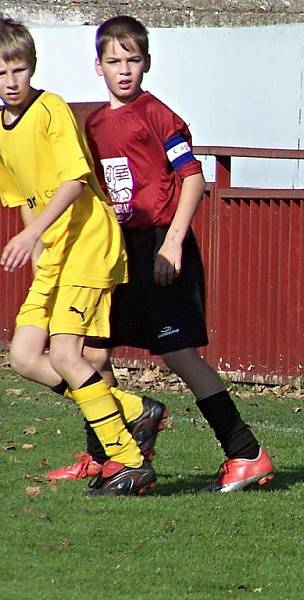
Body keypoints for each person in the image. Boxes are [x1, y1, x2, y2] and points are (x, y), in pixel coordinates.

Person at [48, 15, 274, 493]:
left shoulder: (160, 116)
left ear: (147, 63)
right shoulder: (96, 125)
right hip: (121, 248)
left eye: (132, 60)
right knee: (93, 350)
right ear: (97, 66)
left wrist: (172, 242)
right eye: (114, 61)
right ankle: (106, 454)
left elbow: (193, 178)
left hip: (161, 245)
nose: (124, 69)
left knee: (177, 352)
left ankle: (245, 452)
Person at [0, 16, 157, 496]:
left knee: (68, 354)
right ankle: (133, 411)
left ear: (32, 67)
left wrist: (33, 237)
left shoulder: (50, 110)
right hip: (56, 253)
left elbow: (74, 181)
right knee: (25, 356)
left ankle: (129, 460)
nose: (11, 82)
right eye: (2, 72)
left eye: (19, 70)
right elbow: (25, 197)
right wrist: (38, 242)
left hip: (88, 242)